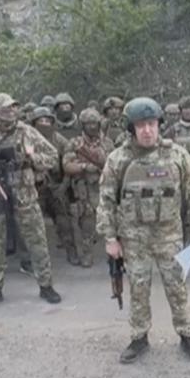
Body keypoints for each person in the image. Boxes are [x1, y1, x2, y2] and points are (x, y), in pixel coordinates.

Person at [97, 97, 190, 364]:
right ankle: (139, 338)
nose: (147, 130)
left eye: (151, 124)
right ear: (131, 128)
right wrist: (110, 238)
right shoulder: (118, 159)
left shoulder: (177, 155)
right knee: (138, 288)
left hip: (169, 234)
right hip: (134, 237)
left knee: (177, 287)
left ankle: (187, 336)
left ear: (159, 125)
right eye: (140, 125)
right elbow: (106, 200)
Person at [0, 93, 63, 311]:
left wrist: (32, 157)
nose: (12, 112)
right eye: (6, 109)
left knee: (38, 243)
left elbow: (53, 157)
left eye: (14, 108)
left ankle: (46, 285)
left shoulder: (26, 131)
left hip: (26, 198)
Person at [63, 108, 114, 267]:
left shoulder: (107, 143)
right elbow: (67, 166)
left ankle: (114, 255)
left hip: (105, 186)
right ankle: (87, 254)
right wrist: (84, 167)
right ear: (82, 125)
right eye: (88, 124)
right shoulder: (75, 143)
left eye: (95, 123)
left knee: (111, 222)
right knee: (86, 223)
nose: (92, 127)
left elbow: (116, 163)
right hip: (84, 188)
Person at [28, 105, 77, 267]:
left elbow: (69, 163)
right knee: (34, 225)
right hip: (35, 187)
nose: (44, 124)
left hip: (56, 186)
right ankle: (36, 258)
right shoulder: (27, 139)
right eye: (40, 121)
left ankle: (72, 252)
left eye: (47, 120)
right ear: (34, 123)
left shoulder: (59, 139)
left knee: (64, 222)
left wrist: (64, 186)